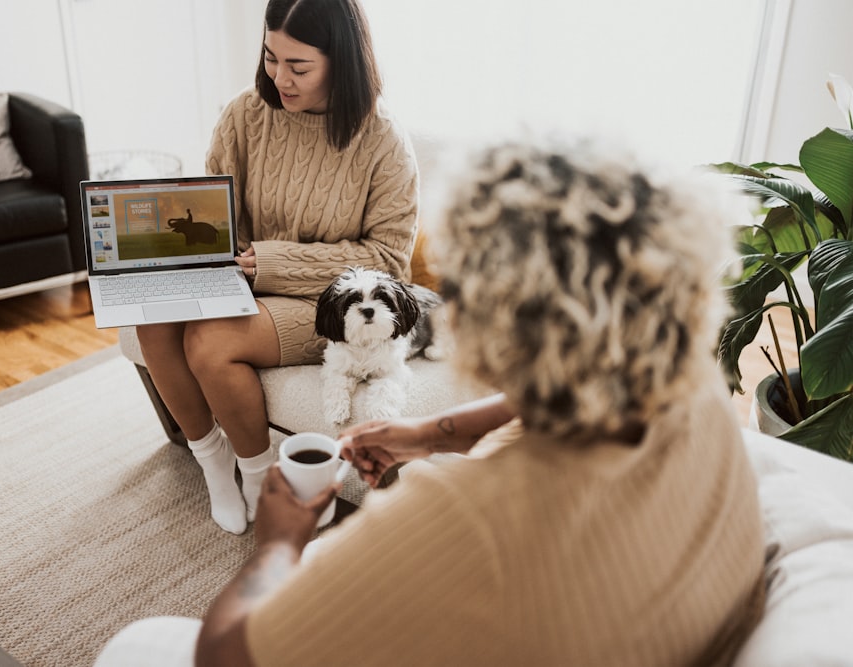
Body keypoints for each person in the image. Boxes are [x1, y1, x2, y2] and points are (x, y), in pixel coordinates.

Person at [95, 135, 769, 666]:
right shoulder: (687, 378)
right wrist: (435, 430)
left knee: (137, 646)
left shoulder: (454, 515)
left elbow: (226, 653)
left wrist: (280, 543)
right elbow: (559, 398)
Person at [136, 0, 418, 534]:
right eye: (270, 58)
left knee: (210, 344)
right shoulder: (245, 115)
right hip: (245, 277)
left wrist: (270, 262)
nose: (279, 78)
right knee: (151, 314)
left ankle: (261, 477)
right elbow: (222, 212)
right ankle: (213, 460)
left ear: (342, 60)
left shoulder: (383, 141)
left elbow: (388, 262)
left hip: (330, 305)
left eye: (299, 66)